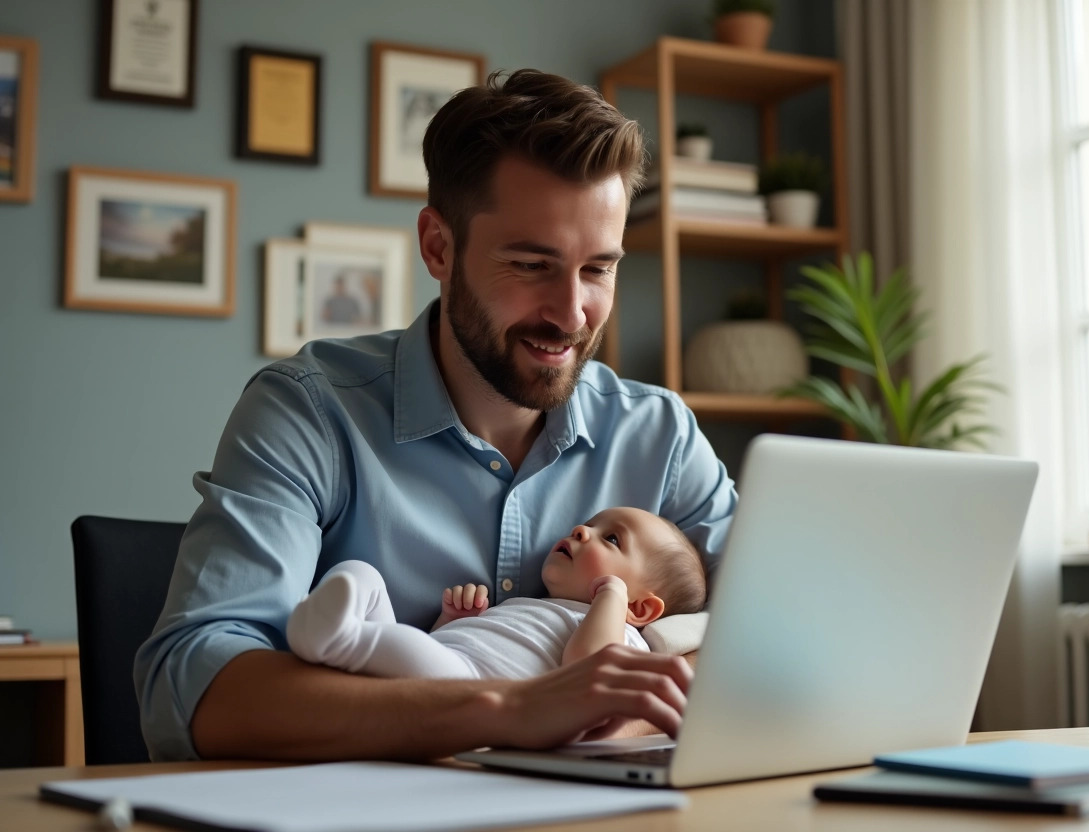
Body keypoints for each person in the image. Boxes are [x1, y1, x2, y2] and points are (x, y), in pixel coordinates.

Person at [134, 68, 737, 763]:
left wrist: (602, 714)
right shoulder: (309, 410)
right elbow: (196, 691)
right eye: (532, 264)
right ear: (438, 247)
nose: (572, 313)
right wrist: (507, 710)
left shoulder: (657, 434)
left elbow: (786, 638)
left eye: (597, 269)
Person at [286, 507, 708, 681]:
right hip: (439, 661)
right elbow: (443, 643)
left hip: (468, 688)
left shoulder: (622, 638)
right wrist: (452, 619)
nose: (582, 531)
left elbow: (587, 669)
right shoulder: (536, 605)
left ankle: (335, 638)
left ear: (639, 607)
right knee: (365, 574)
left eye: (611, 540)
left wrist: (611, 599)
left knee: (420, 659)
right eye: (590, 524)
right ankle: (335, 609)